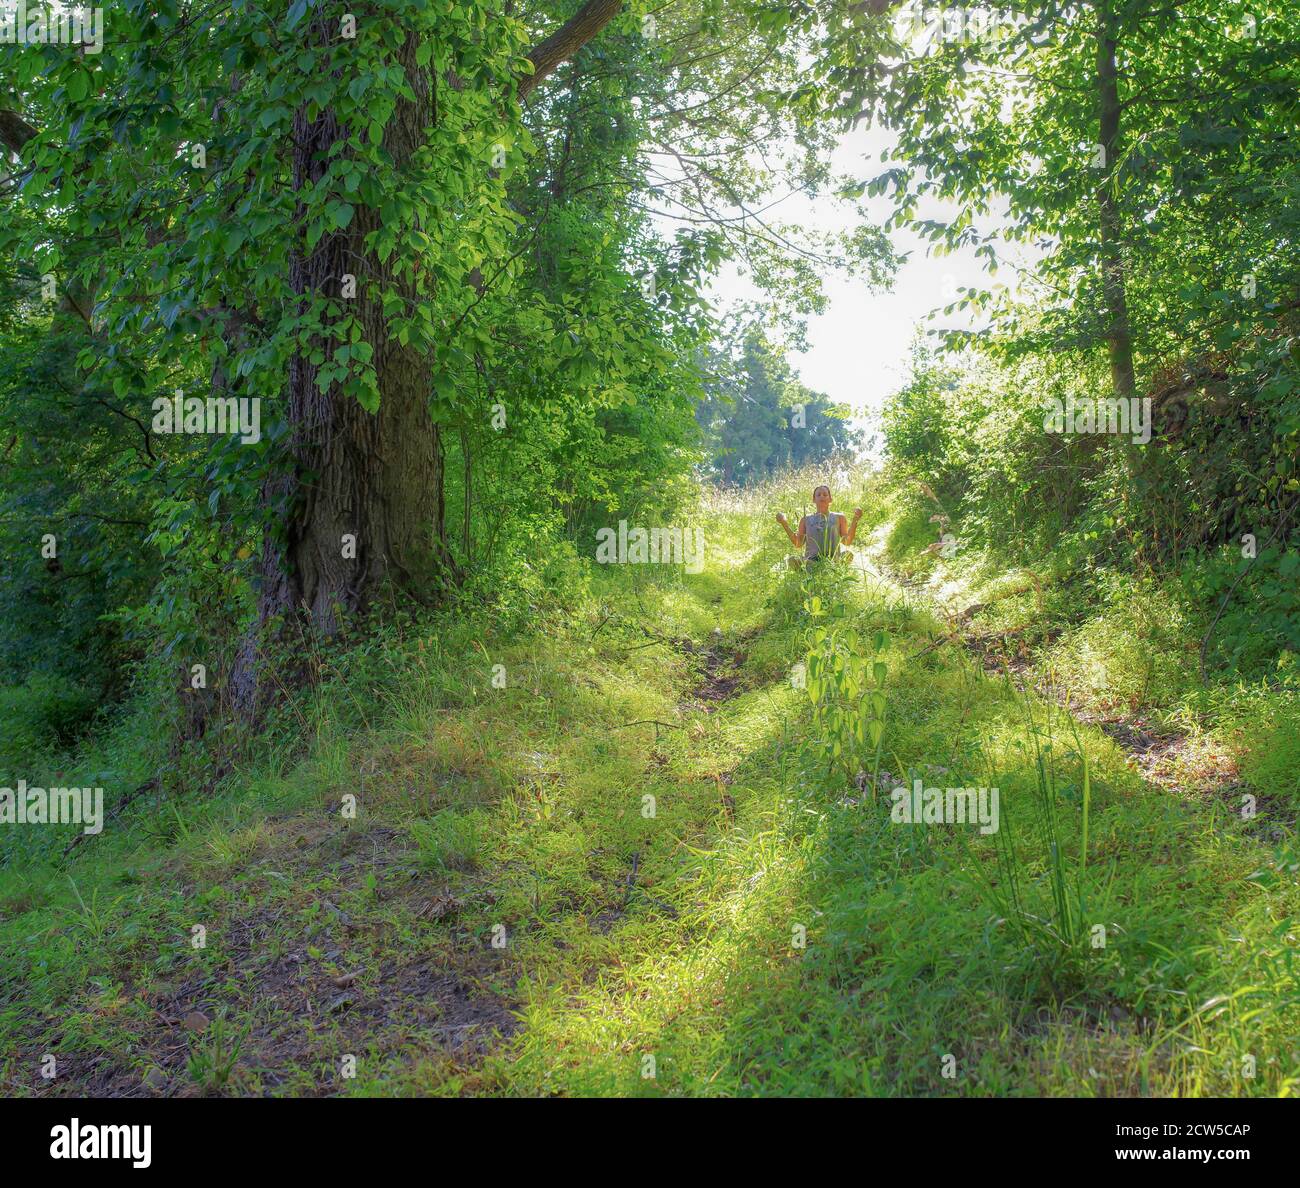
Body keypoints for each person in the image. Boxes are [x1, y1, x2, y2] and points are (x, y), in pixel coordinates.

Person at [776, 484, 862, 569]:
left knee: (848, 554)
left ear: (830, 499)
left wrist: (855, 519)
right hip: (811, 561)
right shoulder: (806, 520)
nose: (822, 497)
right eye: (818, 495)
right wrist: (784, 523)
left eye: (825, 495)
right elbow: (798, 543)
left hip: (834, 560)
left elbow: (847, 541)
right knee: (792, 560)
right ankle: (815, 569)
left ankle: (830, 568)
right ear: (814, 499)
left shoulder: (839, 517)